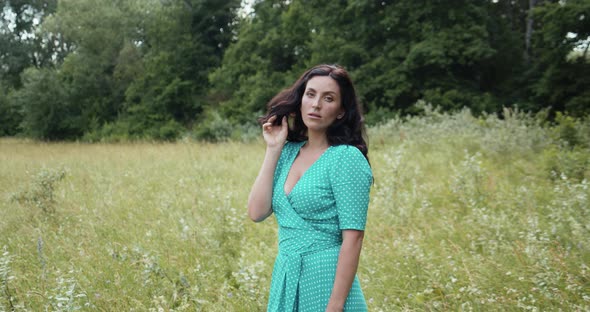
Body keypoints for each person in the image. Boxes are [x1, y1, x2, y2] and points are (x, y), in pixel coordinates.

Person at [247, 64, 373, 312]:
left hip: (326, 280)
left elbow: (354, 237)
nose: (316, 104)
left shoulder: (346, 158)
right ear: (301, 99)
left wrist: (334, 307)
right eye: (311, 94)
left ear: (340, 111)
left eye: (329, 98)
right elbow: (257, 212)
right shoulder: (286, 152)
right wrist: (273, 149)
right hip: (286, 273)